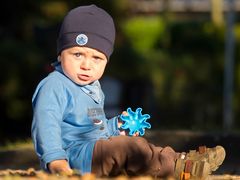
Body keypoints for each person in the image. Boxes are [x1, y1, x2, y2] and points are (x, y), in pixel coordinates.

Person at [31, 4, 226, 179]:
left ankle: (180, 158)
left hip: (94, 151)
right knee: (131, 148)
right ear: (60, 53)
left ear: (107, 60)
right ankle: (176, 168)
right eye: (78, 54)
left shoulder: (92, 87)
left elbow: (96, 130)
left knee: (134, 143)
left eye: (97, 58)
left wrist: (116, 125)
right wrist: (56, 160)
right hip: (75, 158)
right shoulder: (55, 85)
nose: (86, 65)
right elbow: (45, 124)